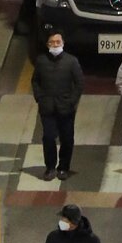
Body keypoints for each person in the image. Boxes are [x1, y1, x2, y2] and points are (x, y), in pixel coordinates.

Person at [33, 30, 85, 182]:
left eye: (58, 42)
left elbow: (79, 83)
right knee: (48, 137)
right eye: (52, 42)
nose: (55, 45)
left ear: (63, 43)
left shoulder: (71, 61)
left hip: (66, 108)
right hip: (47, 107)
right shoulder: (41, 61)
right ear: (47, 44)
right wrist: (39, 98)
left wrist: (72, 101)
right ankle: (50, 168)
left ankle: (63, 167)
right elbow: (35, 81)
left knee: (67, 139)